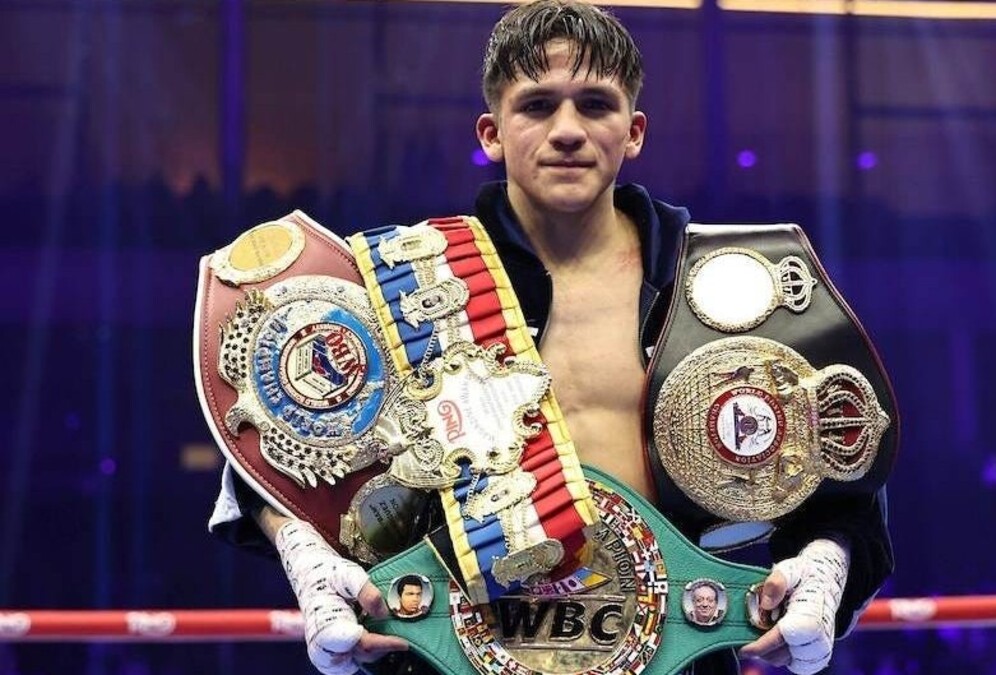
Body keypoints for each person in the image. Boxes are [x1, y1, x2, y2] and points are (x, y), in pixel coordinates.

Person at [207, 2, 894, 674]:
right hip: (452, 655)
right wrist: (306, 554)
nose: (567, 129)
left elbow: (844, 480)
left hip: (675, 654)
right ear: (491, 132)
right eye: (537, 106)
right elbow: (270, 451)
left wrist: (824, 566)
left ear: (634, 131)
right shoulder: (410, 285)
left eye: (595, 104)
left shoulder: (728, 287)